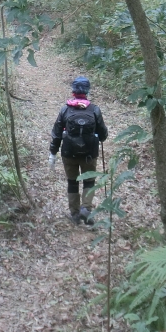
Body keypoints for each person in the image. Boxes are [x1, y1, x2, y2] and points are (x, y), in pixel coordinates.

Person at [48, 76, 108, 226]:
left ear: (73, 90)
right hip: (89, 154)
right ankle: (86, 209)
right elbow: (103, 135)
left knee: (72, 182)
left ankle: (75, 214)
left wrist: (53, 153)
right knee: (89, 181)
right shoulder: (94, 110)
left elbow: (56, 133)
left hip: (69, 153)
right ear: (88, 90)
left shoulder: (65, 109)